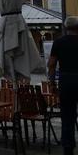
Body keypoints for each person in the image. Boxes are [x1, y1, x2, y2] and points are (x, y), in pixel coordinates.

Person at [48, 16, 78, 155]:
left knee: (67, 117)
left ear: (66, 28)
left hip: (65, 81)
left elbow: (52, 64)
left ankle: (68, 148)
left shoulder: (58, 42)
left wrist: (52, 83)